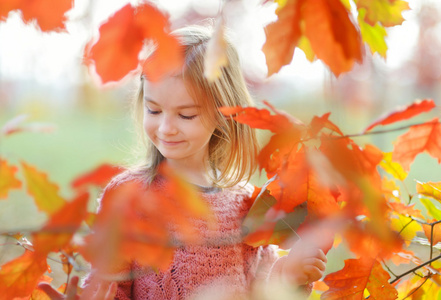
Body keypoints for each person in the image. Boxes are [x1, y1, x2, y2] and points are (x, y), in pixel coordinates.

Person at [40, 25, 327, 300]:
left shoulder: (246, 202)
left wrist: (288, 273)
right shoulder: (129, 197)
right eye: (154, 110)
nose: (166, 128)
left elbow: (260, 286)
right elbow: (109, 287)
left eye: (185, 115)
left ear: (223, 113)